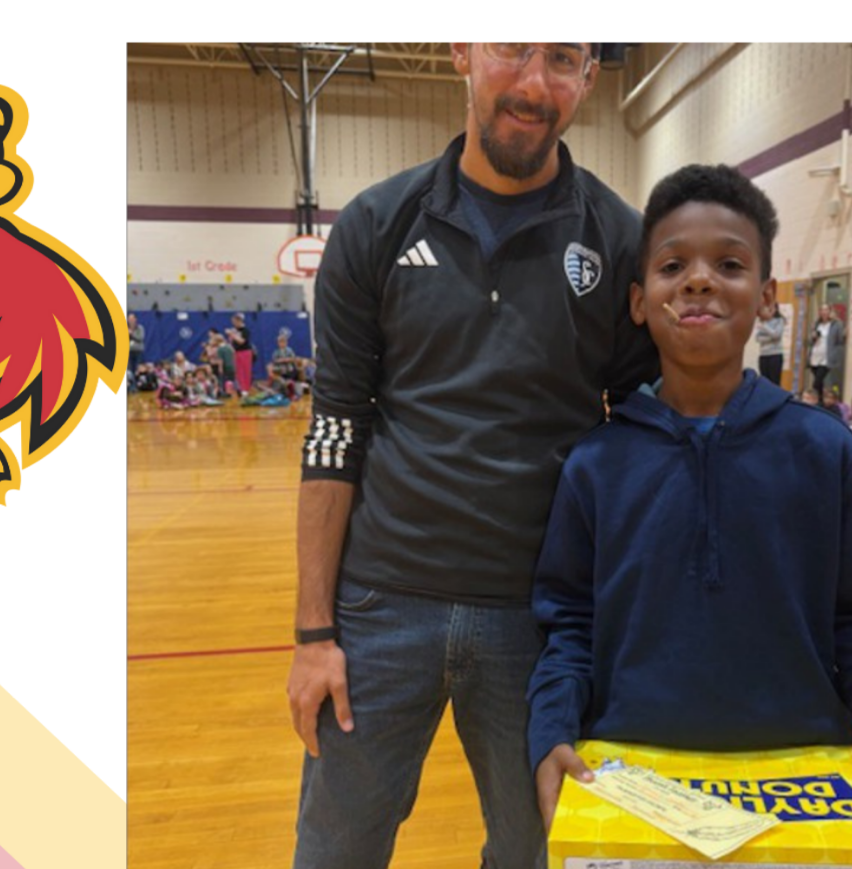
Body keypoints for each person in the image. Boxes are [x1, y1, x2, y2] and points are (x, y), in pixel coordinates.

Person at [287, 42, 656, 869]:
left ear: (590, 80)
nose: (532, 84)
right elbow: (335, 426)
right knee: (334, 853)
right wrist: (314, 633)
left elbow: (639, 442)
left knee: (537, 854)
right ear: (461, 49)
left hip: (540, 621)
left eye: (562, 60)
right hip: (379, 609)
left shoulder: (620, 238)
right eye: (512, 48)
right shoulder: (377, 223)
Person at [528, 163, 852, 838]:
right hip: (628, 780)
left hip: (805, 781)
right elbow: (568, 627)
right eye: (673, 264)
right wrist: (550, 730)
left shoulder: (825, 450)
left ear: (767, 297)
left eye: (730, 263)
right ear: (637, 299)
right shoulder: (596, 463)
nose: (699, 279)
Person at [804, 304, 843, 400]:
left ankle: (814, 401)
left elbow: (840, 340)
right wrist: (812, 337)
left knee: (816, 382)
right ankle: (820, 402)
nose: (824, 312)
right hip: (815, 356)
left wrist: (835, 354)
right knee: (819, 384)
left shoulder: (836, 324)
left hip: (826, 358)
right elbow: (809, 341)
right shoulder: (816, 324)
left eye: (826, 310)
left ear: (830, 311)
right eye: (821, 310)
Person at [754, 298, 788, 385]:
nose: (769, 310)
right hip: (764, 355)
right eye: (767, 308)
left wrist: (764, 327)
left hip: (775, 355)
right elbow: (758, 338)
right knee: (764, 382)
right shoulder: (761, 321)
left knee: (774, 382)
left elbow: (777, 335)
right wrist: (771, 337)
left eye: (771, 308)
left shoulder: (779, 321)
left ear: (776, 309)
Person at [227, 313, 255, 395]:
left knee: (245, 370)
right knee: (238, 371)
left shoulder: (245, 330)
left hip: (245, 352)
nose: (233, 324)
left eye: (235, 322)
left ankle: (246, 388)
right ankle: (241, 388)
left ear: (239, 321)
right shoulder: (235, 330)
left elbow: (241, 341)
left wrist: (232, 335)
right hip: (237, 352)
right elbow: (232, 343)